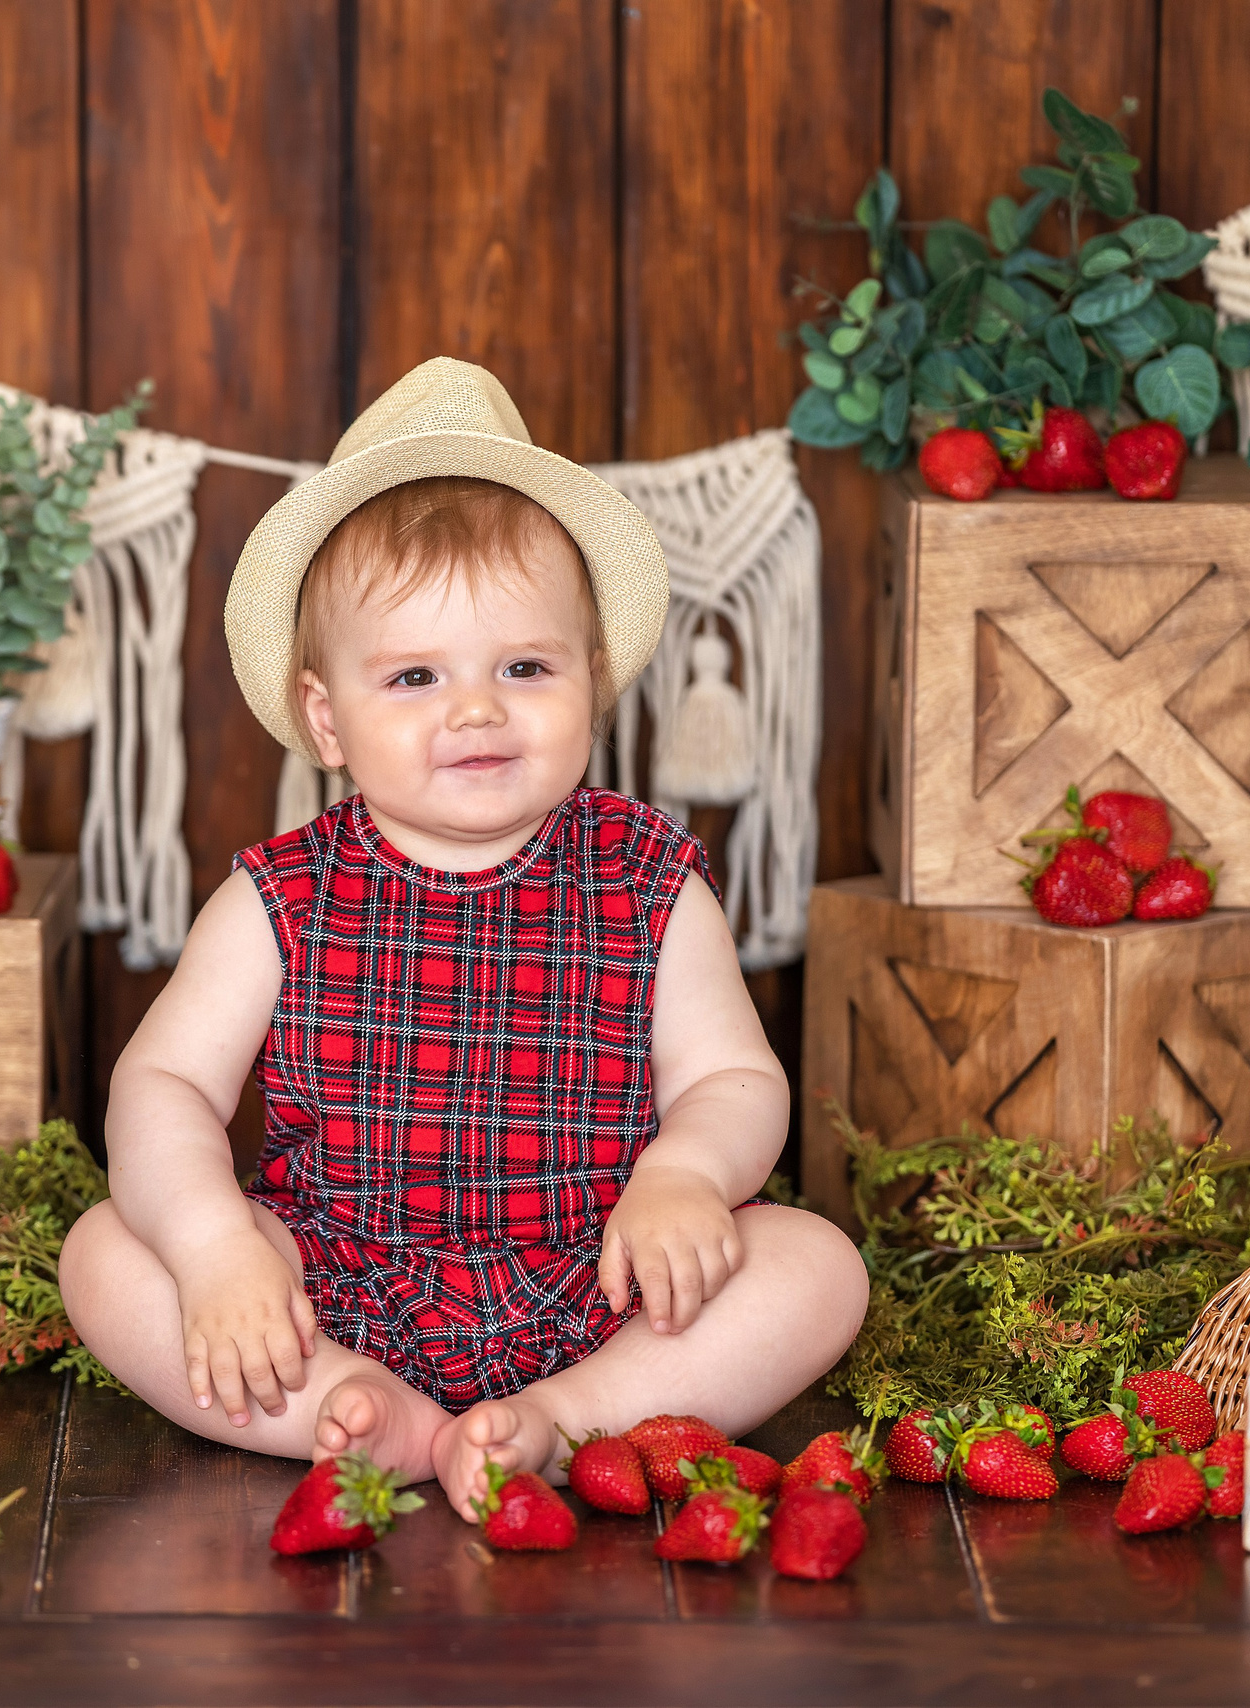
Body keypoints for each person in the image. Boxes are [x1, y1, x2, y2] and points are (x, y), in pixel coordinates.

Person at [60, 357, 868, 1520]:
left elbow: (732, 1075)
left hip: (601, 1274)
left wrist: (685, 1174)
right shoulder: (279, 895)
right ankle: (355, 1409)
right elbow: (165, 1082)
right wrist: (213, 1253)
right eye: (415, 676)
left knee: (811, 1267)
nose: (476, 708)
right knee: (105, 1253)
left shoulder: (648, 881)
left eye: (525, 667)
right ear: (326, 720)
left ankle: (567, 1418)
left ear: (592, 680)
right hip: (329, 1284)